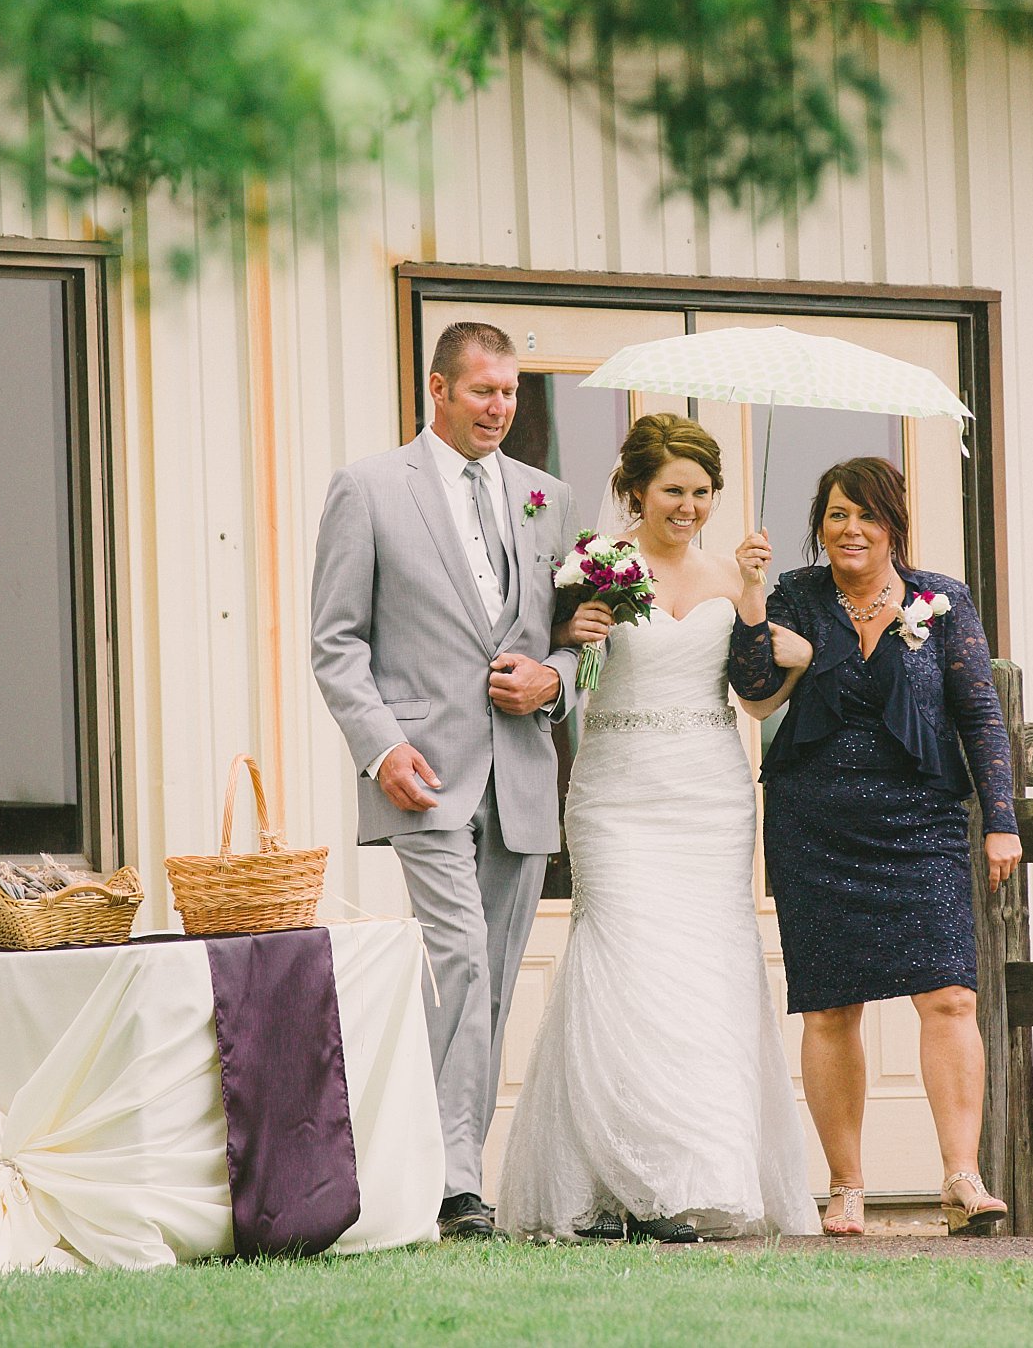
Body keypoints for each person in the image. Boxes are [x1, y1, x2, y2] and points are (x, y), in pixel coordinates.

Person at [498, 414, 820, 1243]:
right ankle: (611, 1184)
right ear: (634, 490)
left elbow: (752, 696)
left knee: (706, 973)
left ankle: (698, 1177)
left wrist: (771, 625)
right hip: (616, 793)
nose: (688, 506)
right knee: (624, 963)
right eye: (673, 490)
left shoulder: (733, 573)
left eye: (702, 492)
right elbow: (553, 658)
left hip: (708, 796)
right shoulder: (592, 570)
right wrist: (575, 633)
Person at [310, 321, 580, 1240]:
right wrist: (382, 748)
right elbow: (336, 643)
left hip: (523, 773)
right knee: (459, 957)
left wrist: (552, 681)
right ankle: (449, 1180)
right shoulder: (371, 488)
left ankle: (440, 1167)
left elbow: (579, 646)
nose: (501, 409)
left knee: (495, 978)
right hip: (421, 774)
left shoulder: (549, 498)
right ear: (438, 390)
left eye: (510, 393)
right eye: (483, 392)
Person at [728, 456, 1023, 1237]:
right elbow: (752, 686)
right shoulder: (796, 594)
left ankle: (962, 1177)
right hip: (815, 821)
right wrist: (752, 593)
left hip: (920, 820)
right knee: (830, 1008)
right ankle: (847, 1185)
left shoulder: (941, 600)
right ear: (818, 527)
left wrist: (1002, 819)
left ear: (893, 523)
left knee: (950, 994)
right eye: (834, 515)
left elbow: (978, 713)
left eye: (865, 514)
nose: (849, 529)